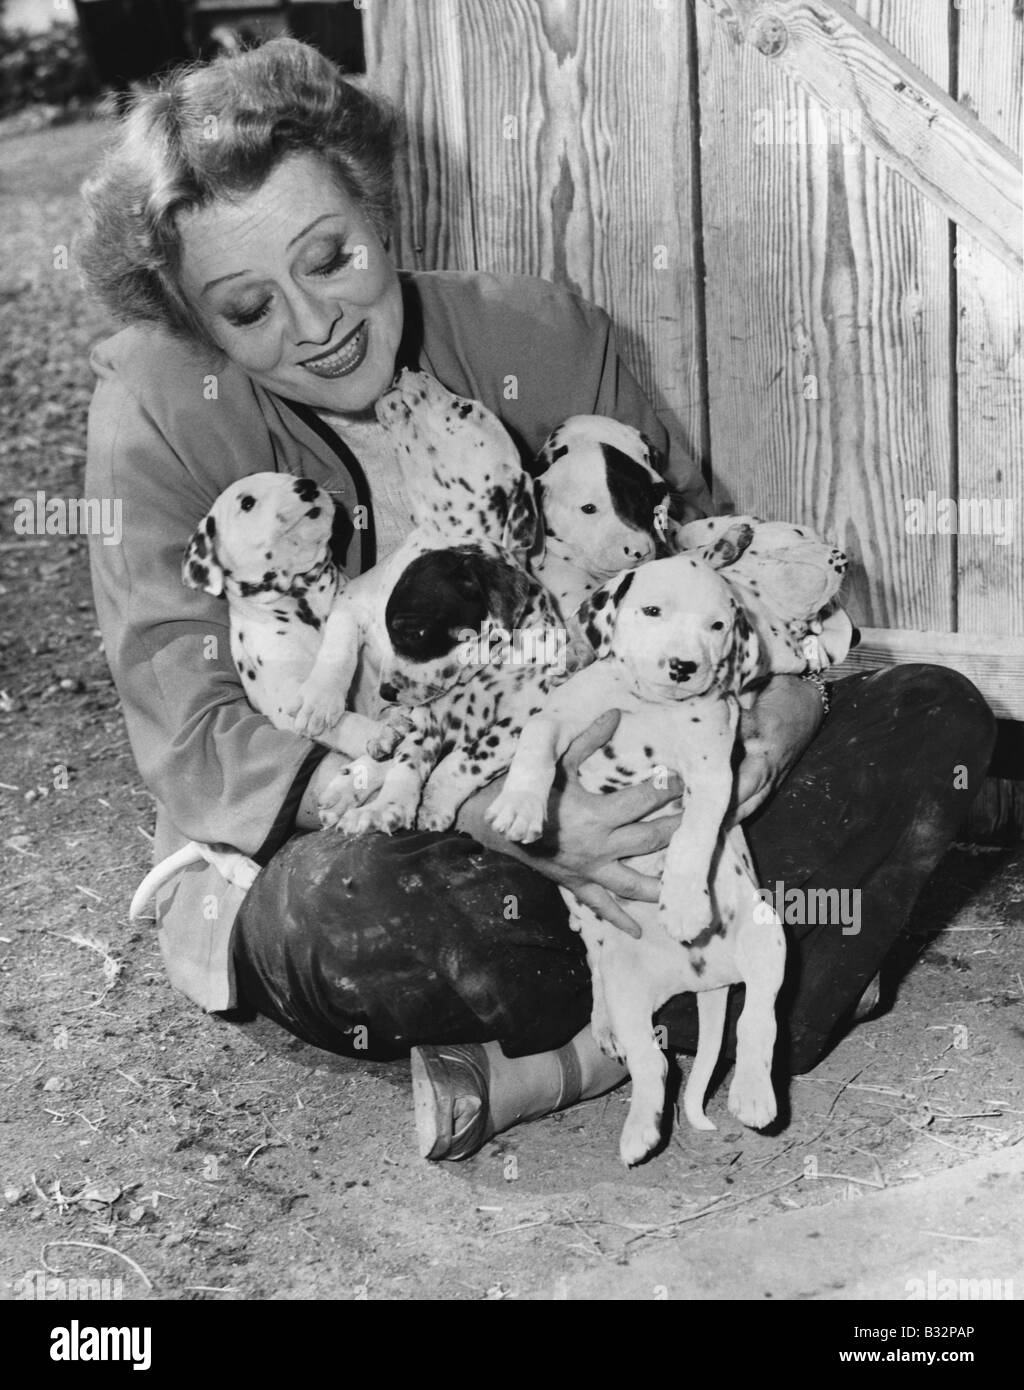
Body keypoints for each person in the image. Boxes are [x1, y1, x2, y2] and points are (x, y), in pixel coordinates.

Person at [80, 38, 994, 1162]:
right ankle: (712, 1008)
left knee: (935, 714)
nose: (313, 322)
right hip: (412, 830)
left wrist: (778, 713)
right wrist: (493, 808)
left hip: (654, 781)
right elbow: (194, 734)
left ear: (380, 209)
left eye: (332, 256)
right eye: (247, 309)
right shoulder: (158, 413)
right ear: (193, 321)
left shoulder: (541, 332)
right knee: (344, 912)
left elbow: (709, 566)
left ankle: (577, 1047)